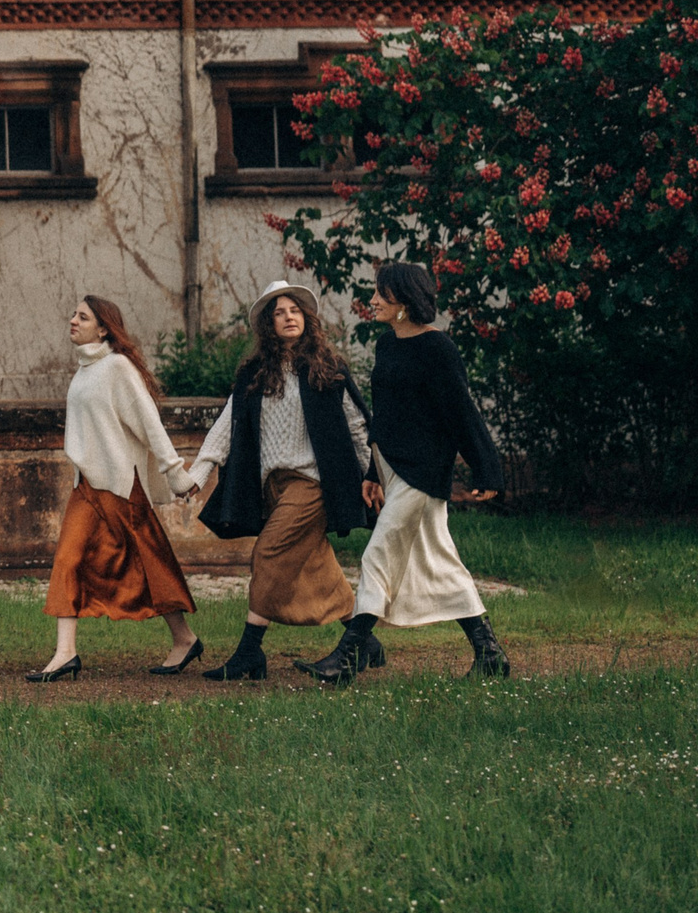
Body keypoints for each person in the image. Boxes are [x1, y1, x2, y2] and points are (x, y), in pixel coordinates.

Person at [298, 262, 510, 682]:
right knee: (437, 559)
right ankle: (489, 653)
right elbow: (385, 413)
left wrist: (488, 470)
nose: (372, 301)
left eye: (381, 294)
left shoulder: (438, 348)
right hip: (391, 466)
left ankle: (349, 657)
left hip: (424, 471)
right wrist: (373, 473)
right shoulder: (387, 344)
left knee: (379, 552)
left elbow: (460, 412)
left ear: (404, 300)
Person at [186, 279, 376, 681]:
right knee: (314, 567)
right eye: (279, 313)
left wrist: (371, 478)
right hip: (272, 487)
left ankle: (249, 653)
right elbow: (228, 426)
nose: (289, 318)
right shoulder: (255, 373)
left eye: (294, 311)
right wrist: (198, 473)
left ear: (306, 318)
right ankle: (364, 641)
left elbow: (357, 426)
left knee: (268, 554)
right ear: (268, 325)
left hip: (312, 484)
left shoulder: (326, 367)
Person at [28, 295, 203, 681]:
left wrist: (175, 471)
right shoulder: (84, 371)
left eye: (83, 316)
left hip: (121, 484)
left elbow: (148, 422)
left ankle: (184, 638)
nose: (72, 320)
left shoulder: (117, 367)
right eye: (74, 314)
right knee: (68, 558)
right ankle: (65, 653)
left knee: (149, 560)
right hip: (88, 486)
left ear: (103, 328)